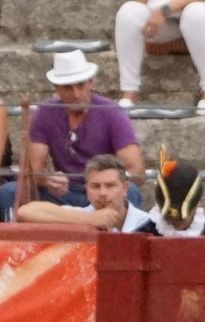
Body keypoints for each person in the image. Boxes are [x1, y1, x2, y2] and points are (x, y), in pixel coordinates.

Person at [0, 52, 146, 222]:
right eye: (68, 87)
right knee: (9, 192)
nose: (76, 93)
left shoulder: (112, 112)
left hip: (101, 189)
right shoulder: (45, 113)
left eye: (80, 85)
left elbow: (136, 171)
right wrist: (48, 180)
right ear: (56, 88)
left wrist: (105, 183)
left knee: (130, 191)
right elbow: (32, 171)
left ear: (90, 83)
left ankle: (113, 239)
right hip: (64, 192)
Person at [114, 0, 205, 114]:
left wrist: (165, 10)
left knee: (194, 13)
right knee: (128, 12)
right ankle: (130, 92)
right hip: (165, 14)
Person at [16, 154, 158, 232]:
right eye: (95, 186)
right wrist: (89, 220)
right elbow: (25, 211)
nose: (102, 193)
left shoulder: (149, 223)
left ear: (125, 189)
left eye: (110, 186)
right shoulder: (79, 215)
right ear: (86, 190)